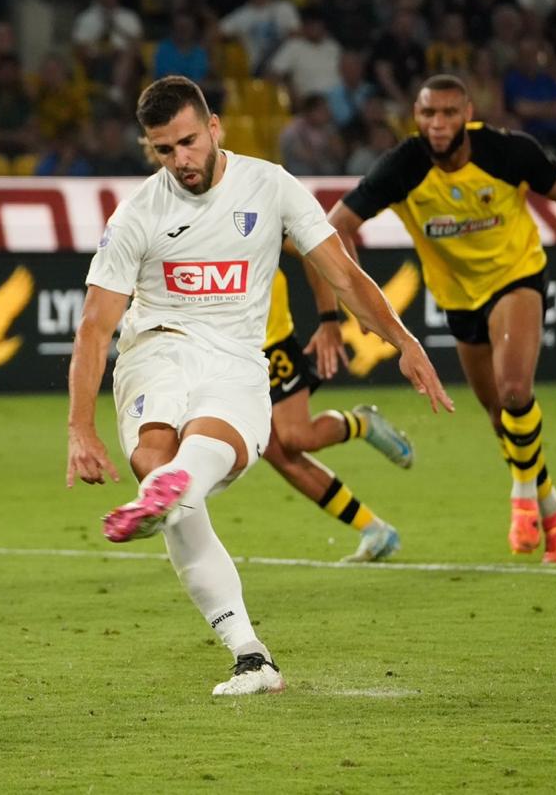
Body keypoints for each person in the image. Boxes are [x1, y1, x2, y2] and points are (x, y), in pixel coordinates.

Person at [67, 76, 452, 696]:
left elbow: (345, 276)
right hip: (156, 350)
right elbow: (94, 325)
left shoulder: (269, 185)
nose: (181, 160)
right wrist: (79, 427)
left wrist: (403, 342)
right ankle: (251, 656)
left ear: (214, 126)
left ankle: (175, 494)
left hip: (237, 357)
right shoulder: (138, 212)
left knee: (183, 478)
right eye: (164, 150)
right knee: (161, 472)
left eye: (189, 142)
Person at [328, 74, 556, 564]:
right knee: (502, 417)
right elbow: (337, 227)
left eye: (449, 113)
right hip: (458, 300)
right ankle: (554, 510)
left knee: (516, 392)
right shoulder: (403, 166)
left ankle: (522, 497)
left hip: (516, 276)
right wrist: (355, 300)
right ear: (416, 115)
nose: (438, 124)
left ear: (468, 114)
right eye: (429, 113)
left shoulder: (506, 152)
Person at [261, 260, 410, 563]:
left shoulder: (260, 211)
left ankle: (362, 423)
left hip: (270, 342)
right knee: (276, 451)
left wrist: (329, 319)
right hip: (223, 348)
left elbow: (312, 248)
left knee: (297, 438)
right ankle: (373, 529)